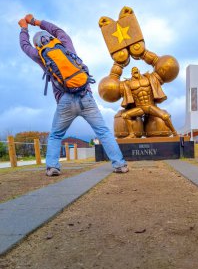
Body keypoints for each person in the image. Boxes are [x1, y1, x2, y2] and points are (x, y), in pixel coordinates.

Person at [18, 14, 128, 176]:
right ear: (51, 37)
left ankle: (53, 167)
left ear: (37, 45)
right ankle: (119, 164)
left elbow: (24, 46)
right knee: (103, 131)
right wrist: (36, 22)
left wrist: (23, 28)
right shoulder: (65, 43)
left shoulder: (40, 55)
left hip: (65, 101)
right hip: (86, 96)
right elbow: (57, 30)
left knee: (56, 135)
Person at [120, 67, 177, 138]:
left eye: (136, 69)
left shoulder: (148, 78)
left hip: (150, 106)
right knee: (125, 115)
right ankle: (132, 134)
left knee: (165, 116)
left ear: (139, 71)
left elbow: (158, 77)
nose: (135, 70)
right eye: (133, 70)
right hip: (140, 108)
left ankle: (175, 133)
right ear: (131, 73)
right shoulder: (128, 83)